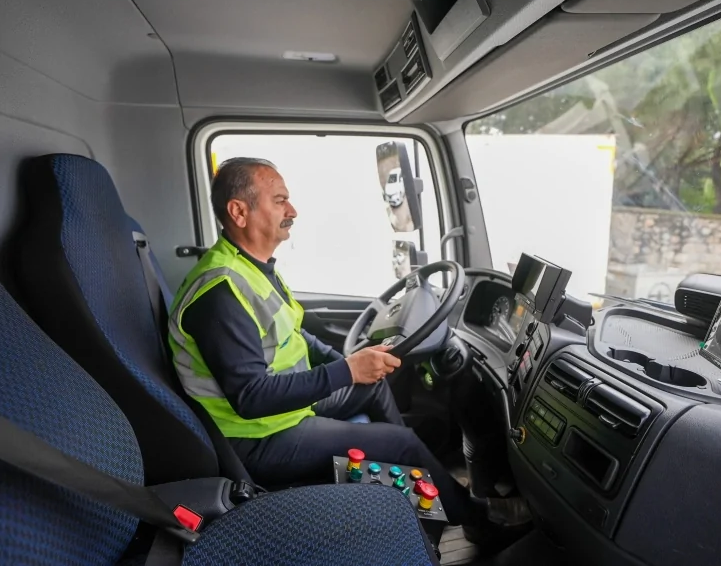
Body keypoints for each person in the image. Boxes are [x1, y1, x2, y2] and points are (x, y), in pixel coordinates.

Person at [167, 157, 529, 533]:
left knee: (373, 389)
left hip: (282, 411)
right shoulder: (220, 293)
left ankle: (413, 479)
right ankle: (479, 522)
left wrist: (350, 364)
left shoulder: (252, 267)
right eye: (279, 201)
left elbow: (292, 335)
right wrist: (346, 370)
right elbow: (252, 397)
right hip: (255, 437)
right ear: (239, 211)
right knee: (401, 441)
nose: (292, 211)